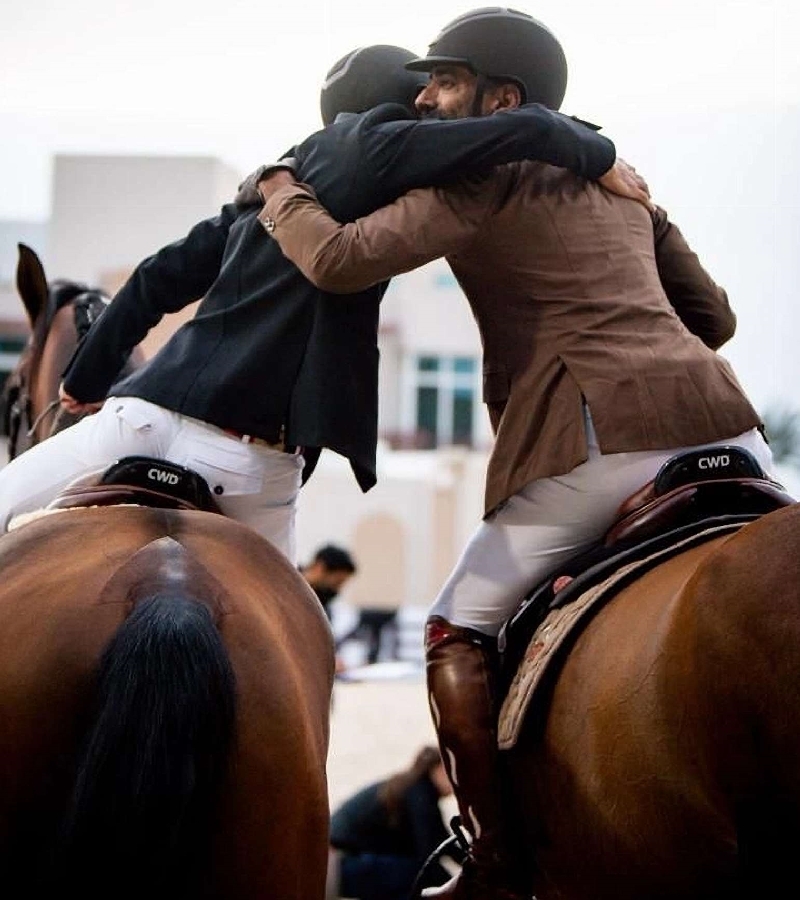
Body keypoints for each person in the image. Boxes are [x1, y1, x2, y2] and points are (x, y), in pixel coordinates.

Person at [255, 8, 774, 898]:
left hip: (598, 440)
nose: (425, 97)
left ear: (502, 98)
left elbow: (339, 260)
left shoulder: (480, 171)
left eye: (444, 81)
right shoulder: (624, 184)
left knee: (456, 626)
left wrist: (276, 192)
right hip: (730, 431)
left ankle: (492, 855)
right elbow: (716, 320)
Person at [0, 44, 642, 564]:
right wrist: (603, 156)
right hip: (253, 464)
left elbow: (153, 281)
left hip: (144, 418)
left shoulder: (272, 180)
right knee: (298, 643)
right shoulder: (385, 144)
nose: (429, 106)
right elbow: (525, 127)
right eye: (420, 97)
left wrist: (82, 385)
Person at [326, 745, 457, 900]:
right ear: (439, 768)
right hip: (343, 863)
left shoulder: (414, 790)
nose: (458, 784)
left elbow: (441, 843)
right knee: (417, 877)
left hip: (339, 864)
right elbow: (428, 855)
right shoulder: (420, 793)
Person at [300, 543, 358, 621]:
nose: (337, 589)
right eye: (337, 582)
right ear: (319, 568)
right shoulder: (284, 583)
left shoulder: (323, 615)